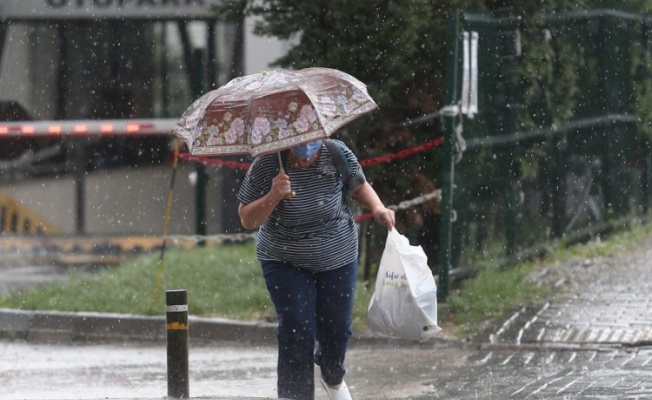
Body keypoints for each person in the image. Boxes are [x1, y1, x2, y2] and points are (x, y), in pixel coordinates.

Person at [237, 139, 395, 400]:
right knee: (296, 328)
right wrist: (273, 195)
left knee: (338, 329)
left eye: (313, 143)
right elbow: (246, 218)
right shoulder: (267, 163)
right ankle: (294, 394)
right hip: (284, 259)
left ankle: (333, 377)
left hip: (337, 255)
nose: (306, 151)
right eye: (299, 144)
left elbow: (358, 185)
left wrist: (377, 207)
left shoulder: (336, 152)